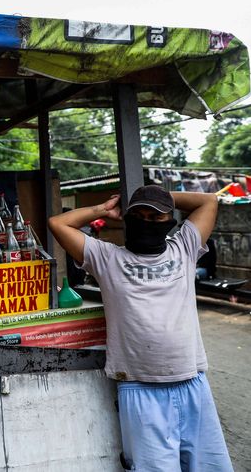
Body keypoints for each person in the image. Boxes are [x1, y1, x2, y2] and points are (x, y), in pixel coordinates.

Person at [48, 185, 232, 472]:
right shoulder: (106, 258)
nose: (148, 222)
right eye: (140, 215)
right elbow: (57, 223)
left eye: (157, 217)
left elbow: (208, 200)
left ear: (170, 221)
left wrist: (158, 196)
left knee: (211, 467)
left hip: (192, 381)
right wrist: (102, 210)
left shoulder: (183, 248)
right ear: (127, 219)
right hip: (140, 387)